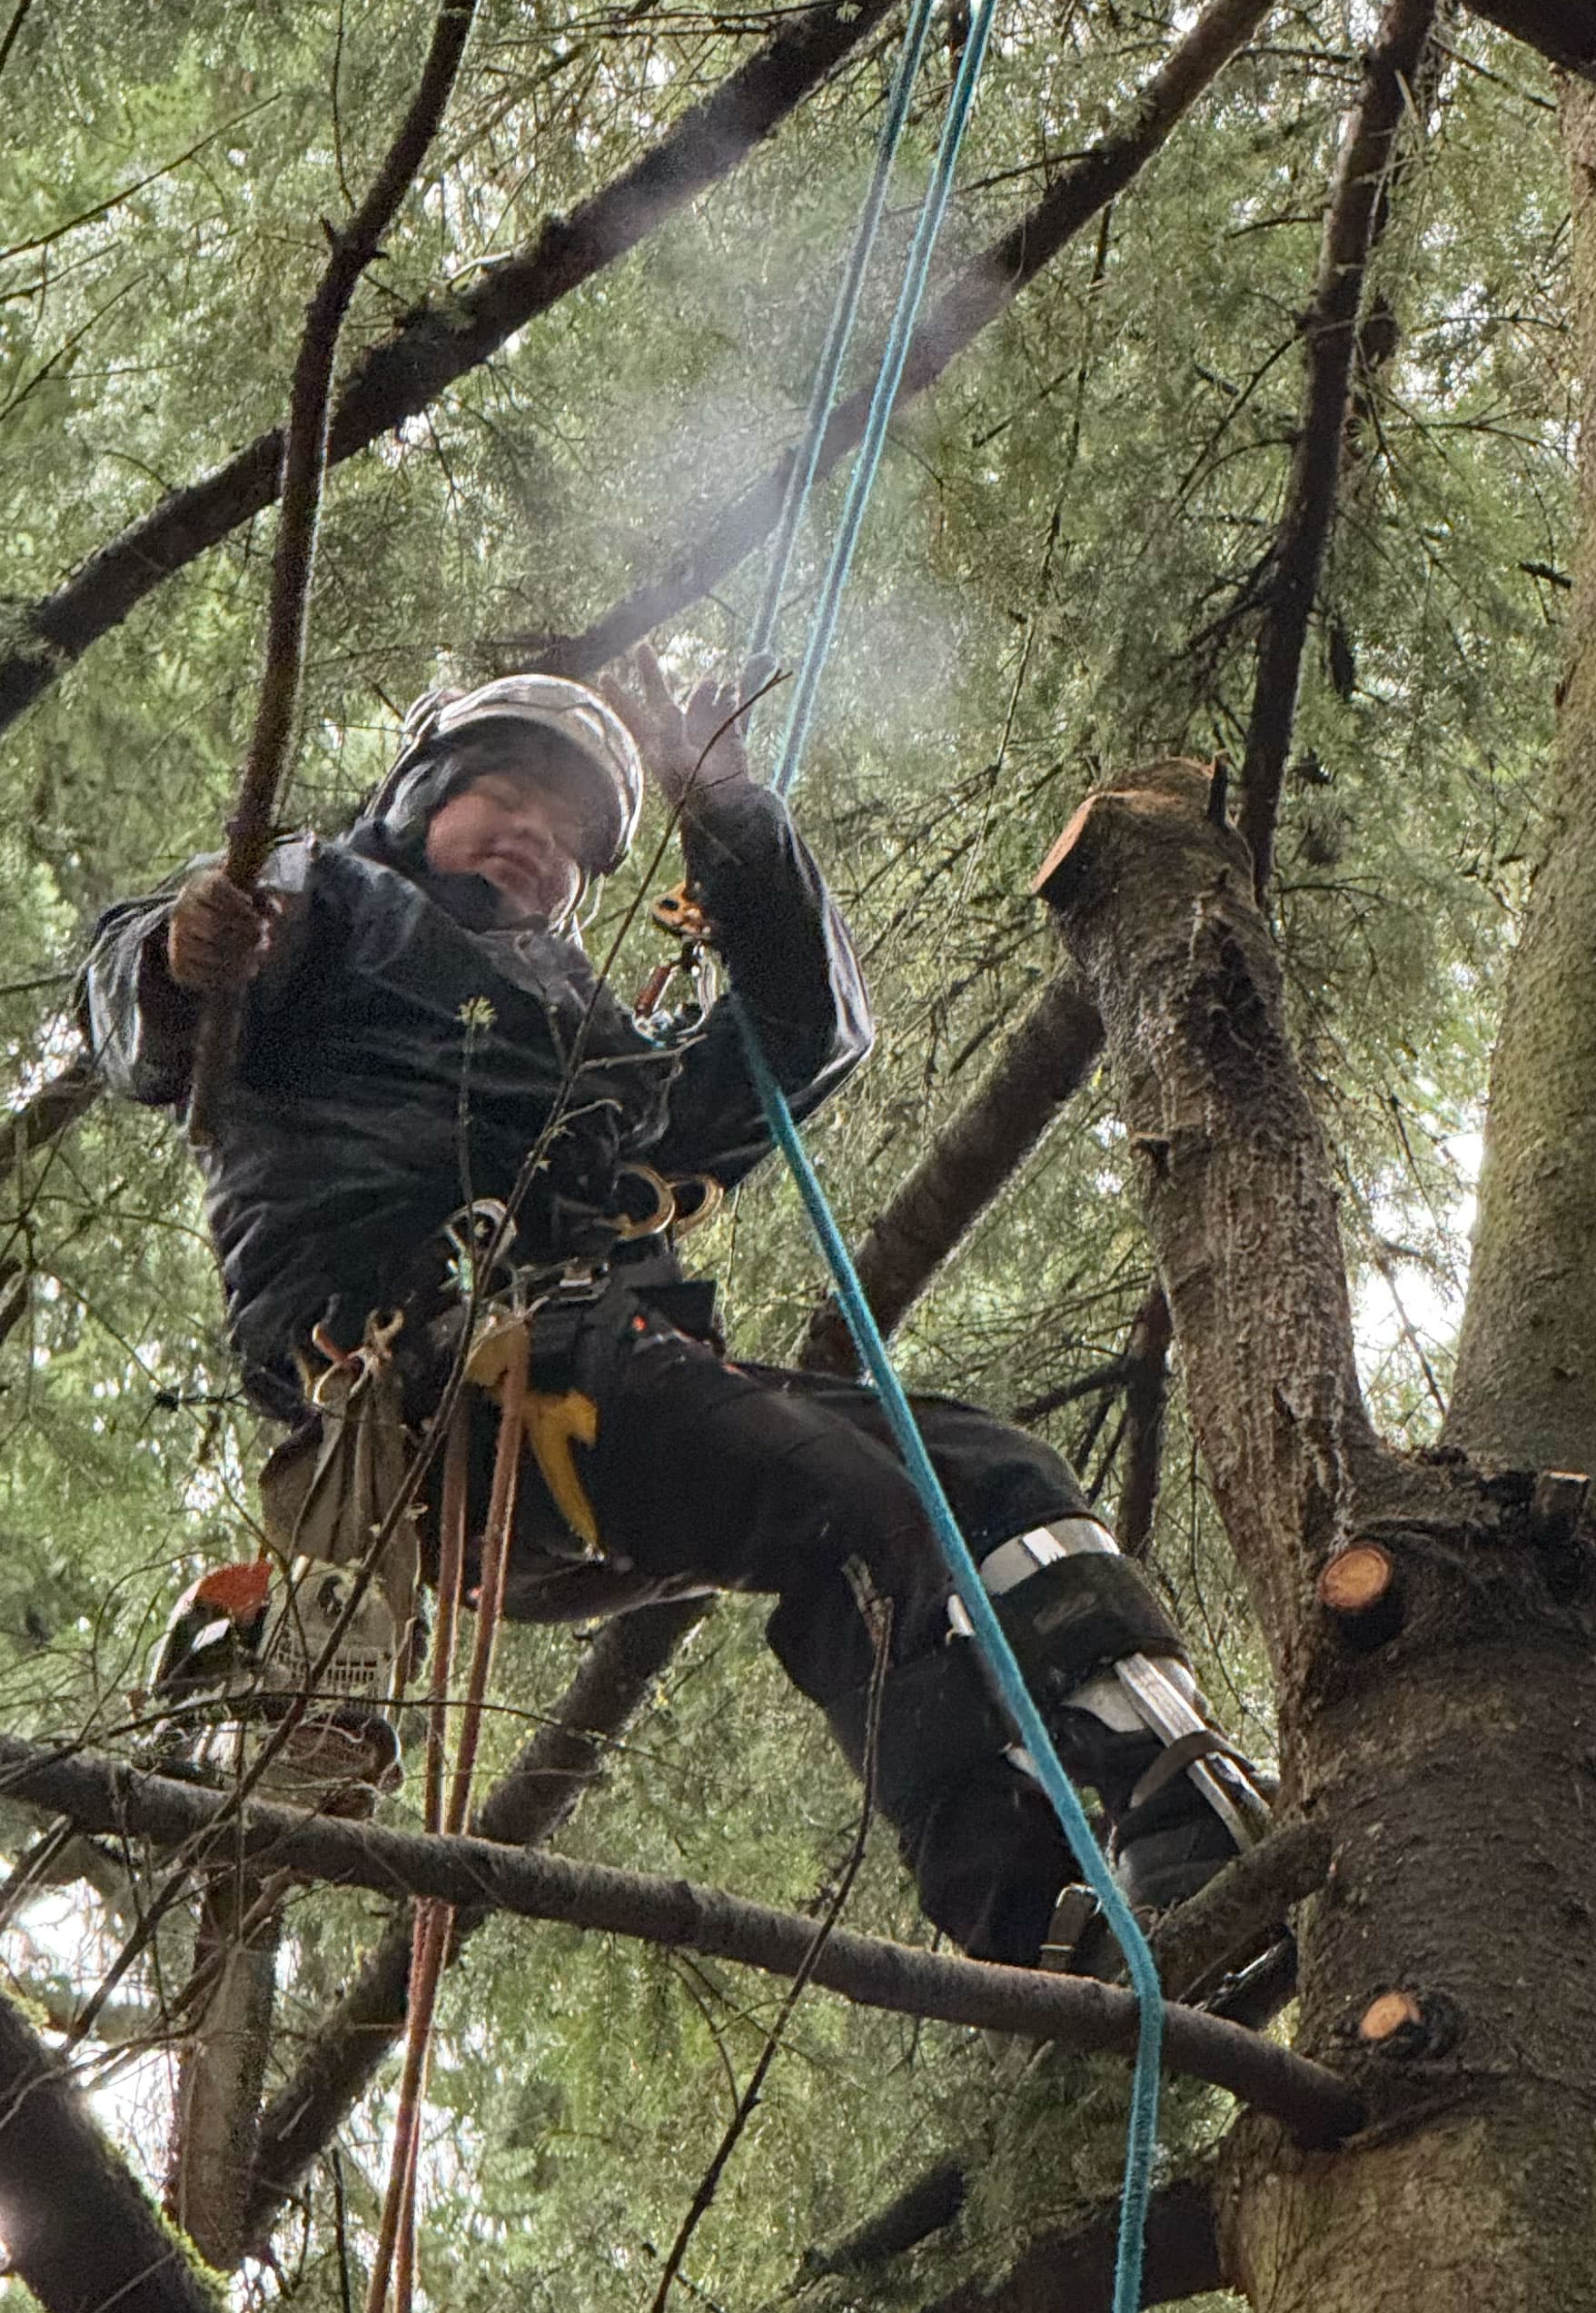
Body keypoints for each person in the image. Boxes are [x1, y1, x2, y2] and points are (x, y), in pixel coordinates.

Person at [85, 658, 1264, 1968]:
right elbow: (159, 986)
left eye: (571, 831)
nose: (535, 834)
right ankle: (1036, 1917)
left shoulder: (589, 1038)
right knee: (848, 1505)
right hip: (428, 1390)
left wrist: (729, 810)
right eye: (502, 796)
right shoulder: (333, 902)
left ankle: (1184, 1814)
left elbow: (799, 1039)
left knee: (989, 1471)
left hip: (585, 1386)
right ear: (419, 797)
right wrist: (189, 954)